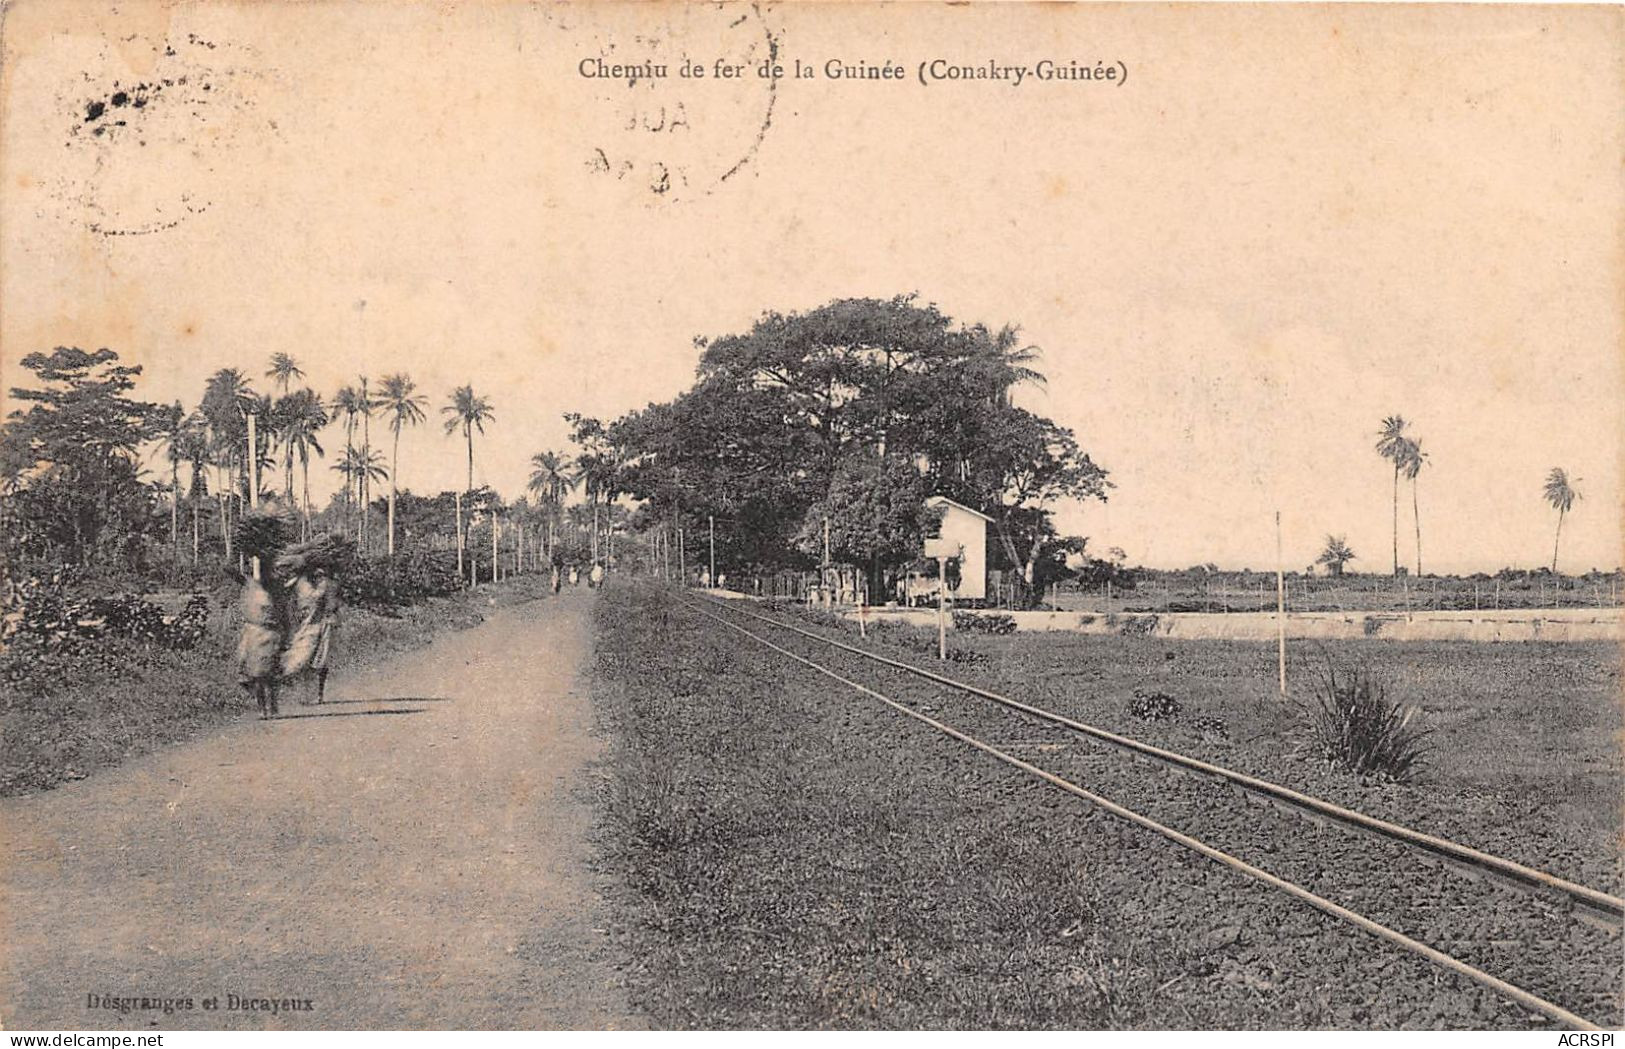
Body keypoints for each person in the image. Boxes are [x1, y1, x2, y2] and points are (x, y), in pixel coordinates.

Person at [281, 564, 341, 703]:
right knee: (309, 660)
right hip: (316, 625)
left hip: (326, 624)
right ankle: (311, 694)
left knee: (320, 661)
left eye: (319, 575)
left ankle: (317, 695)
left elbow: (320, 602)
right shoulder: (318, 586)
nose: (317, 577)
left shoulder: (327, 586)